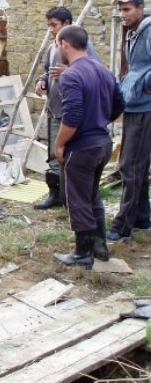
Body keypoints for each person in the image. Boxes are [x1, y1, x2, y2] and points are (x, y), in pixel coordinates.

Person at [52, 25, 124, 268]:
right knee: (92, 194)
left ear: (65, 44)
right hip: (102, 143)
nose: (57, 48)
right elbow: (119, 105)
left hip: (82, 147)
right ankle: (99, 245)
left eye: (56, 43)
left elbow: (72, 115)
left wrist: (59, 143)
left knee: (77, 199)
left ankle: (82, 253)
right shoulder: (104, 71)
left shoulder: (71, 75)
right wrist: (99, 121)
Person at [33, 7, 100, 210]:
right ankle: (56, 194)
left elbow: (94, 71)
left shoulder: (83, 46)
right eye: (49, 25)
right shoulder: (54, 47)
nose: (51, 29)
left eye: (54, 25)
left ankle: (76, 199)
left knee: (73, 155)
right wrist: (42, 81)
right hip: (54, 108)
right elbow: (47, 71)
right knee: (55, 154)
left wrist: (70, 70)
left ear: (67, 24)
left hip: (74, 112)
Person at [106, 0, 151, 243]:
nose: (123, 15)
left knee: (129, 166)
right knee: (138, 164)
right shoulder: (135, 31)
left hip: (145, 106)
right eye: (121, 10)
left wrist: (144, 84)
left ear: (141, 8)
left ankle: (121, 226)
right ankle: (142, 218)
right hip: (135, 105)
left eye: (127, 10)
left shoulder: (149, 30)